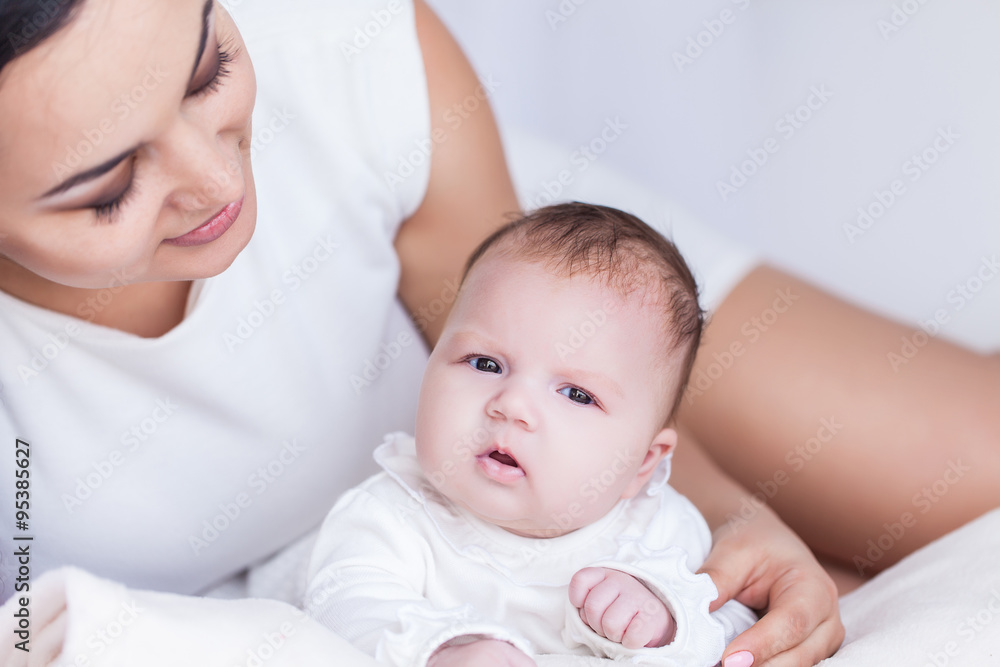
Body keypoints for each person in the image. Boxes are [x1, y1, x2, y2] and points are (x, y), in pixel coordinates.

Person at [0, 1, 995, 666]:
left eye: (208, 71)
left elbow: (555, 367)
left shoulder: (344, 45)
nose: (221, 182)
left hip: (575, 297)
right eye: (107, 187)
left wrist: (734, 524)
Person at [305, 203, 757, 666]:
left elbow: (738, 625)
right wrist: (441, 650)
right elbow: (344, 605)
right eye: (486, 364)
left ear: (642, 464)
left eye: (576, 394)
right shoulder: (391, 513)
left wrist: (666, 625)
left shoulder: (659, 530)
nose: (513, 405)